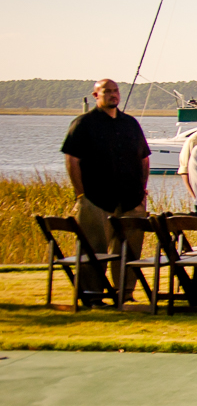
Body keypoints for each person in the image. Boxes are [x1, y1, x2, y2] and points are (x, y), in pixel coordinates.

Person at [61, 78, 151, 300]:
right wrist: (81, 194)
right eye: (107, 91)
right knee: (93, 249)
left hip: (131, 198)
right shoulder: (83, 124)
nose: (113, 95)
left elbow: (144, 159)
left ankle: (125, 292)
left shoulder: (130, 123)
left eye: (115, 91)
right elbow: (72, 160)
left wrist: (142, 191)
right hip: (96, 198)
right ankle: (92, 294)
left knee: (130, 250)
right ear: (96, 96)